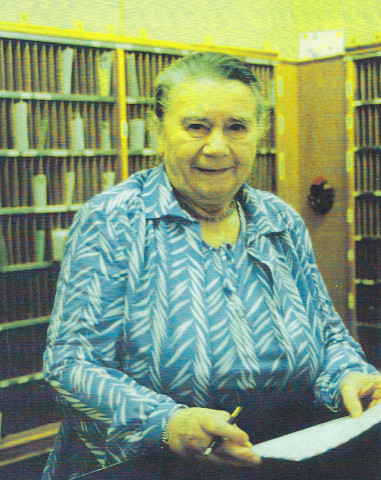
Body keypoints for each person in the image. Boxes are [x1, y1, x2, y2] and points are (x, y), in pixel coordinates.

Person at [42, 52, 381, 480]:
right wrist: (167, 423)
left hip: (277, 451)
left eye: (236, 127)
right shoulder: (115, 219)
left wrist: (350, 375)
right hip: (149, 464)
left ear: (258, 133)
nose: (217, 146)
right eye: (196, 126)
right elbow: (72, 363)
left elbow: (328, 335)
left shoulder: (279, 221)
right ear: (159, 130)